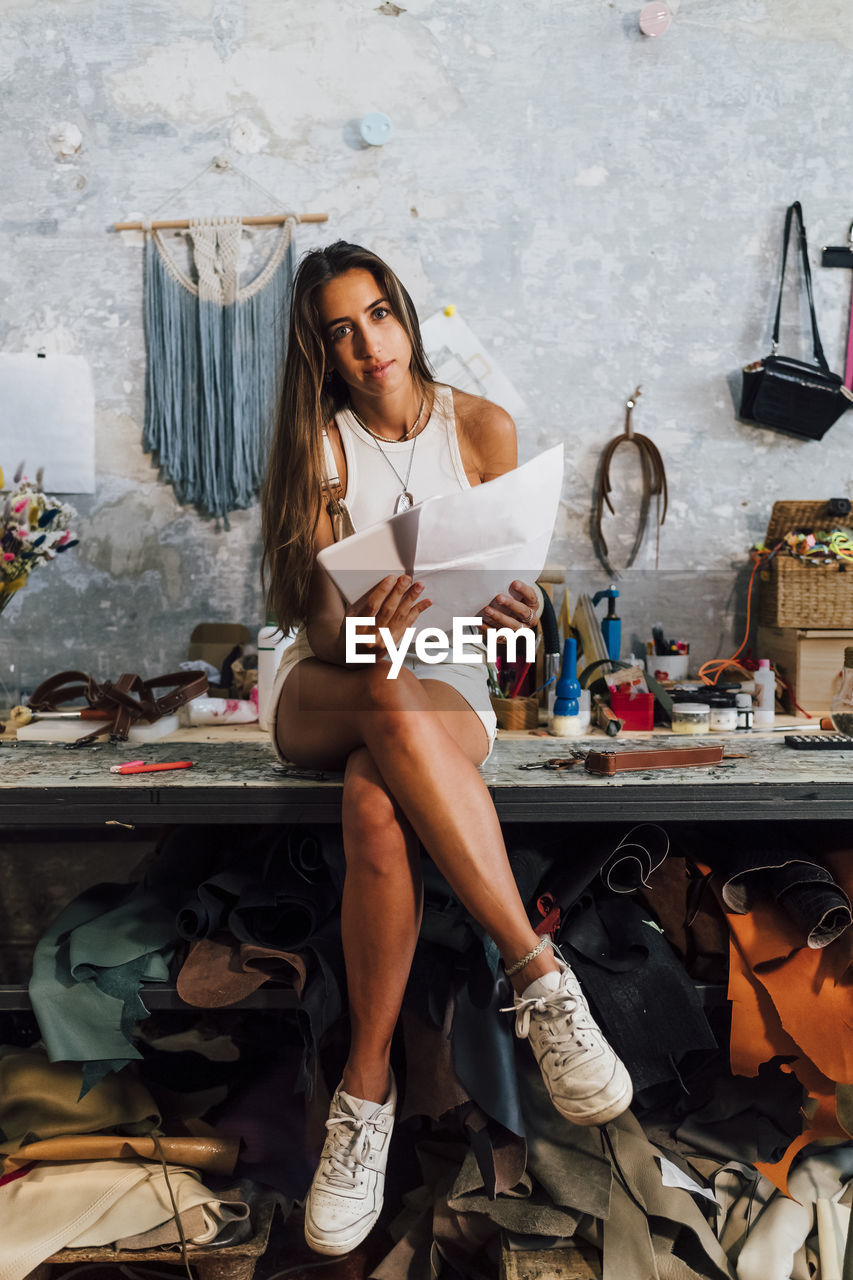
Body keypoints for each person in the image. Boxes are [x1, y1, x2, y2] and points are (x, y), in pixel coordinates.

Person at [260, 241, 632, 1257]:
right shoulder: (317, 447)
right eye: (341, 329)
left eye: (378, 313)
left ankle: (364, 1093)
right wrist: (368, 620)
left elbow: (503, 627)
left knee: (377, 798)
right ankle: (539, 975)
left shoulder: (481, 425)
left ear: (406, 315)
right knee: (379, 682)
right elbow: (322, 628)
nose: (368, 343)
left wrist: (519, 606)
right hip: (327, 684)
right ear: (322, 351)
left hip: (445, 682)